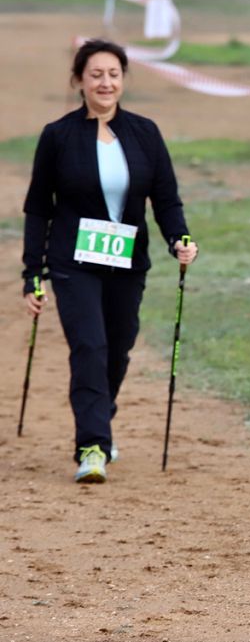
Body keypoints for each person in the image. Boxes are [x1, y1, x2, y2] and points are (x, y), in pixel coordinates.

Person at [21, 38, 198, 484]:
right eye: (96, 74)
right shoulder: (58, 136)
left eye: (113, 74)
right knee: (90, 347)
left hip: (126, 260)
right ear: (79, 80)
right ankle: (93, 446)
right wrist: (32, 275)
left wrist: (180, 238)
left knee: (117, 348)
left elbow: (166, 199)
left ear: (123, 80)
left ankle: (99, 418)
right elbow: (39, 208)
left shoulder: (145, 133)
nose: (105, 82)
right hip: (72, 261)